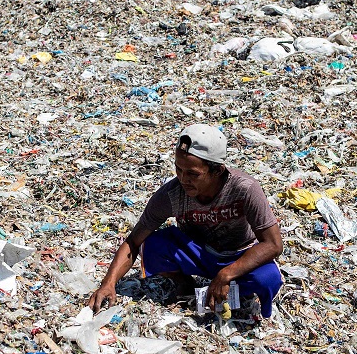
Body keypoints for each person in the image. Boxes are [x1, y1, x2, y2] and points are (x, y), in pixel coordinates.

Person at [88, 124, 284, 318]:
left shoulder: (244, 189)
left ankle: (236, 293)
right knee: (152, 245)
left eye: (193, 174)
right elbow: (133, 242)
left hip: (238, 254)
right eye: (178, 169)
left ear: (217, 171)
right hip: (198, 252)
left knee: (268, 279)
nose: (183, 179)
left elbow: (273, 244)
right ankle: (185, 284)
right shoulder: (171, 194)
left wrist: (227, 274)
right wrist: (109, 282)